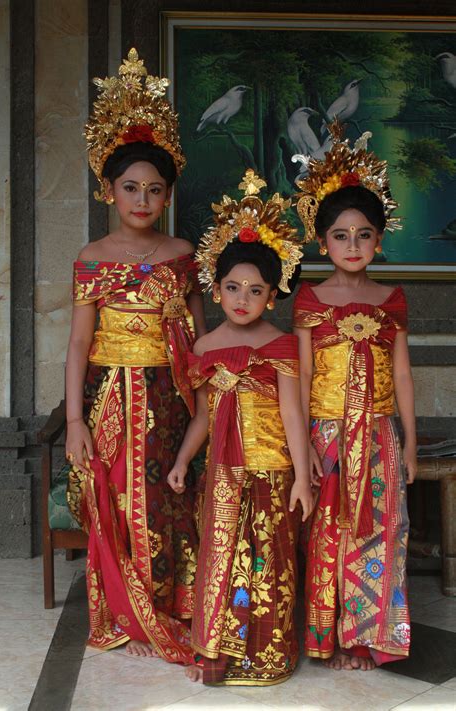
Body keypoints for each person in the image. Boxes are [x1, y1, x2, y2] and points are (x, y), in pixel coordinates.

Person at [65, 49, 206, 664]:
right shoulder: (93, 258)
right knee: (120, 496)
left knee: (174, 491)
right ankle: (125, 609)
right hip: (112, 396)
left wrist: (209, 402)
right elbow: (77, 344)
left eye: (154, 189)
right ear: (108, 191)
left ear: (169, 194)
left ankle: (176, 602)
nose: (142, 199)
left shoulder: (181, 256)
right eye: (130, 188)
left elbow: (200, 340)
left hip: (174, 393)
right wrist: (73, 421)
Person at [167, 170, 313, 685]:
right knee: (221, 556)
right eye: (232, 287)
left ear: (273, 295)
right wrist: (184, 460)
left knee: (271, 561)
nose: (242, 299)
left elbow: (294, 414)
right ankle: (216, 653)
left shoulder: (282, 346)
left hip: (273, 470)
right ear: (216, 288)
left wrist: (300, 476)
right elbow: (205, 416)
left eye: (256, 290)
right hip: (224, 470)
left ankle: (267, 655)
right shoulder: (204, 350)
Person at [293, 121, 416, 671]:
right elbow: (297, 377)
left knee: (381, 532)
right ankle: (330, 639)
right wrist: (306, 455)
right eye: (340, 236)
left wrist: (410, 446)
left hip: (381, 436)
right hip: (328, 435)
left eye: (363, 234)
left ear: (379, 240)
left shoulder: (390, 300)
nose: (352, 245)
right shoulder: (309, 299)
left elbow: (404, 375)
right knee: (328, 534)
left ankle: (370, 639)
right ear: (322, 242)